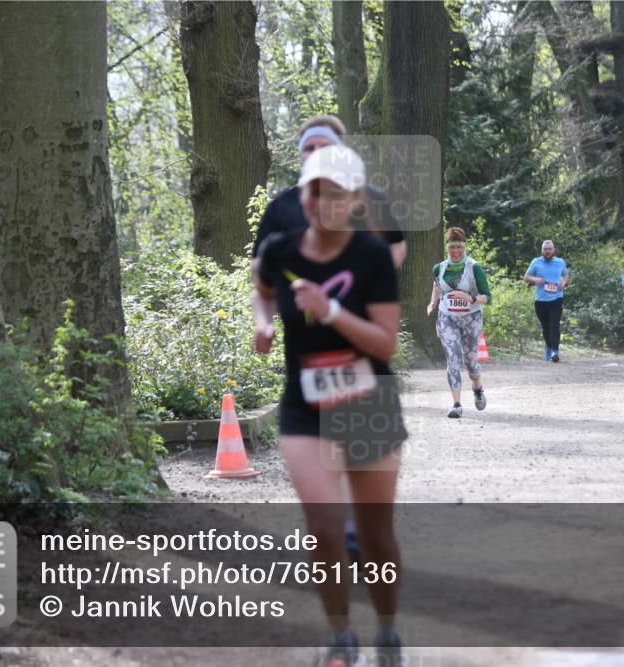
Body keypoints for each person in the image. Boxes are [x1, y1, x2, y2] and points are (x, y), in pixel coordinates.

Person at [253, 145, 407, 667]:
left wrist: (332, 310)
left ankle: (387, 630)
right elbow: (262, 286)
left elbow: (385, 343)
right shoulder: (280, 249)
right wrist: (264, 321)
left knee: (374, 534)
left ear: (358, 200)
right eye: (315, 191)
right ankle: (341, 638)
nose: (324, 202)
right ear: (304, 195)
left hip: (367, 399)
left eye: (337, 193)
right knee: (323, 527)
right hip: (305, 406)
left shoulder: (371, 257)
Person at [252, 114, 407, 268]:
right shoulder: (280, 206)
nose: (317, 153)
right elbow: (258, 261)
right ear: (300, 155)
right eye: (309, 148)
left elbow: (397, 246)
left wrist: (375, 280)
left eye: (325, 146)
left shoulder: (370, 198)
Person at [426, 227, 491, 418]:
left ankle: (477, 388)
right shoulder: (439, 268)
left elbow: (487, 298)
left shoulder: (474, 268)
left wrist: (469, 297)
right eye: (452, 247)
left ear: (464, 247)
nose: (455, 251)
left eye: (459, 247)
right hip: (447, 317)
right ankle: (456, 404)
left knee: (470, 362)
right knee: (452, 359)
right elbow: (437, 285)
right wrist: (433, 302)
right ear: (447, 248)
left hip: (471, 318)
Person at [524, 239, 568, 362]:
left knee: (554, 326)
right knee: (545, 327)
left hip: (557, 298)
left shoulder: (560, 262)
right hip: (541, 301)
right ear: (542, 250)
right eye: (545, 249)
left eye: (550, 249)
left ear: (554, 250)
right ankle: (549, 348)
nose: (548, 251)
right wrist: (536, 280)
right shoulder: (536, 262)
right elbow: (526, 277)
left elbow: (565, 275)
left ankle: (555, 351)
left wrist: (563, 283)